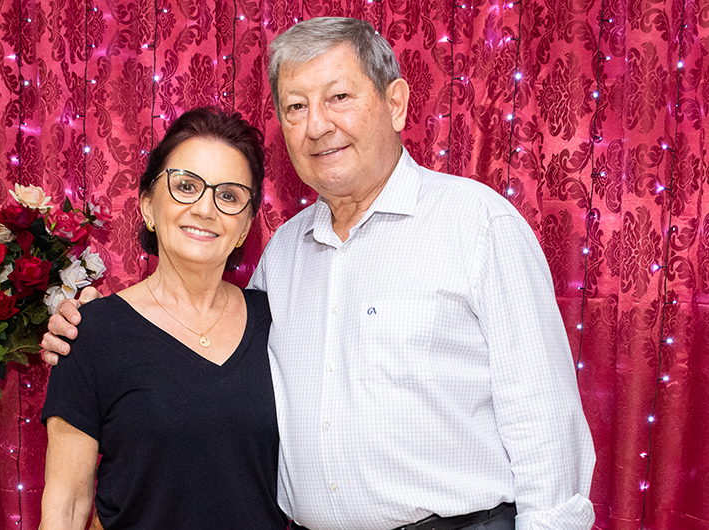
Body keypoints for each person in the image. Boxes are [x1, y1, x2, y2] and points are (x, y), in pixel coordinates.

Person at [43, 17, 596, 530]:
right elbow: (192, 371)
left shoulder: (476, 225)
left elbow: (545, 424)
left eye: (339, 98)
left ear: (396, 103)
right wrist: (87, 330)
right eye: (296, 106)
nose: (317, 125)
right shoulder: (284, 256)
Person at [39, 107, 288, 530]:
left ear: (246, 226)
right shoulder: (90, 333)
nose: (205, 209)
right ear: (148, 206)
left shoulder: (278, 322)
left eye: (229, 196)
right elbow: (66, 508)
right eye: (186, 186)